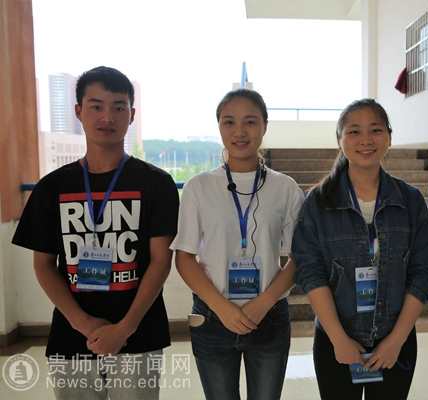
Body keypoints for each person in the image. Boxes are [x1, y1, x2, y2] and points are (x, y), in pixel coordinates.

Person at [12, 66, 179, 399]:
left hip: (138, 334)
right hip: (72, 334)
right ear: (78, 112)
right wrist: (84, 324)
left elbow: (161, 261)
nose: (108, 117)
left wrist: (125, 328)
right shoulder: (53, 187)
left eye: (118, 107)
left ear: (131, 115)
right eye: (97, 106)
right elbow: (43, 265)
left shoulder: (156, 183)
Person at [292, 98, 428, 400]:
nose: (366, 140)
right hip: (336, 341)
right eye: (354, 131)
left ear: (389, 137)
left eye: (376, 130)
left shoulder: (410, 200)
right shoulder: (317, 202)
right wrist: (338, 339)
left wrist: (396, 340)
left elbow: (423, 273)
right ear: (339, 139)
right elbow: (310, 272)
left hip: (395, 341)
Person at [170, 88, 304, 400]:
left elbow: (297, 258)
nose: (239, 131)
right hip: (212, 318)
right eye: (229, 122)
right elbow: (184, 257)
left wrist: (263, 303)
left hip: (269, 317)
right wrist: (222, 308)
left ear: (265, 126)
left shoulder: (285, 188)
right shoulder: (198, 186)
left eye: (250, 122)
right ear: (219, 126)